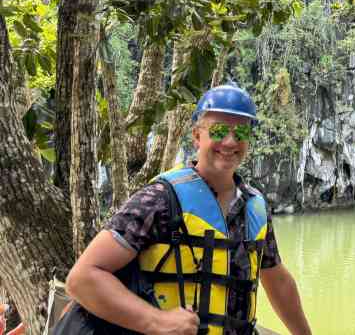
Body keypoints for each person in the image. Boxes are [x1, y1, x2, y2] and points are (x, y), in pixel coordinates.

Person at [66, 84, 312, 335]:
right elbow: (82, 278)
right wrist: (155, 321)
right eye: (218, 130)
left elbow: (277, 280)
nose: (230, 141)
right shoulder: (160, 199)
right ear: (197, 135)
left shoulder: (254, 205)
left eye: (241, 131)